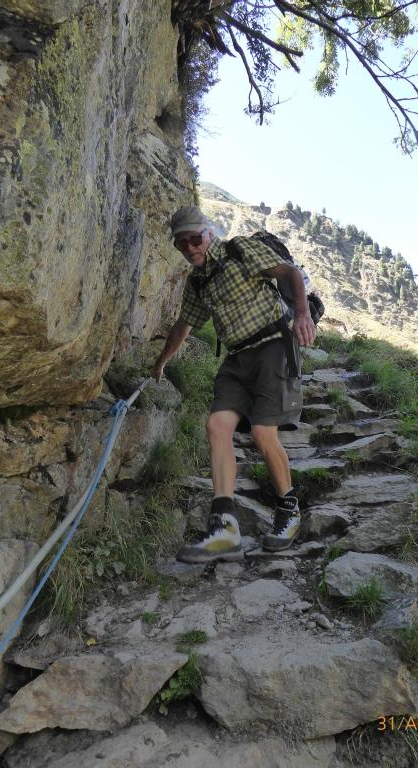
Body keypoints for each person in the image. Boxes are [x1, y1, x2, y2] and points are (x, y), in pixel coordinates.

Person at [154, 205, 316, 563]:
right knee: (216, 426)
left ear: (209, 233)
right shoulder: (196, 282)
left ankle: (288, 511)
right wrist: (163, 360)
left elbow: (288, 272)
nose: (191, 248)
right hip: (237, 357)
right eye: (182, 244)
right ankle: (225, 528)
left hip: (273, 346)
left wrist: (302, 314)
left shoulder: (240, 250)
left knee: (262, 432)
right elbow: (185, 324)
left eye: (195, 239)